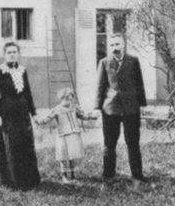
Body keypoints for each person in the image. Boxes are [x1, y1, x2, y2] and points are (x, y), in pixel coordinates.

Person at [94, 34, 148, 183]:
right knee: (109, 143)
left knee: (133, 142)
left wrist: (142, 104)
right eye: (111, 45)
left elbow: (139, 84)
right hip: (110, 108)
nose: (115, 48)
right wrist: (97, 108)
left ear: (124, 45)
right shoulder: (104, 62)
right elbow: (100, 86)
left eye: (117, 44)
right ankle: (108, 175)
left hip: (131, 107)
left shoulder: (133, 61)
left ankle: (137, 175)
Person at [0, 42, 41, 190]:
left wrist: (34, 113)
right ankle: (9, 179)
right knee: (9, 145)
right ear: (4, 55)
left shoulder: (23, 70)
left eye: (14, 52)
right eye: (9, 52)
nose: (12, 54)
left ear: (18, 54)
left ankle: (27, 178)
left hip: (22, 114)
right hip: (7, 114)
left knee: (24, 143)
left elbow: (27, 93)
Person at [38, 87, 85, 184]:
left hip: (73, 134)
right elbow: (48, 118)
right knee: (63, 157)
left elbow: (83, 115)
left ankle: (72, 176)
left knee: (72, 156)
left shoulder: (74, 107)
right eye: (67, 98)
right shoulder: (57, 109)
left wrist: (93, 116)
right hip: (62, 135)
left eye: (71, 97)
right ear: (62, 98)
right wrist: (40, 121)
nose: (70, 100)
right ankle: (65, 177)